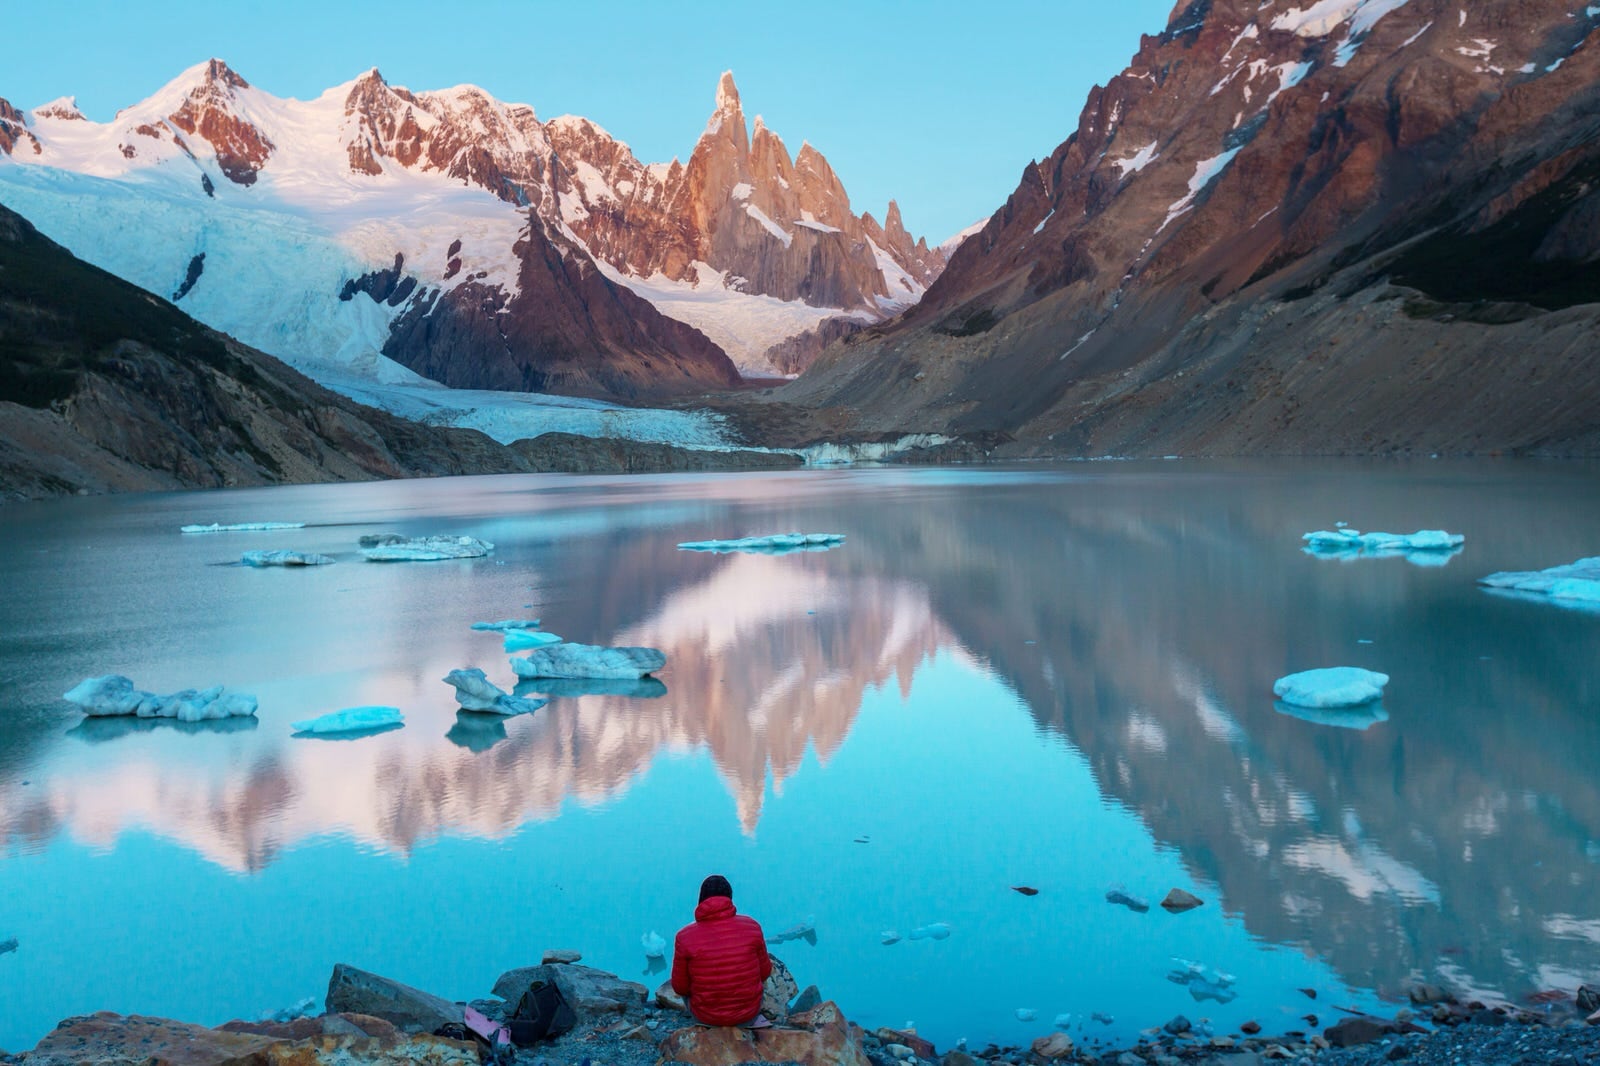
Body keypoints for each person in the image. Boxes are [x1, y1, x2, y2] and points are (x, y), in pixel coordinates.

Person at [670, 874, 772, 1026]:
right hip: (748, 1014)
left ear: (701, 900)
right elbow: (765, 973)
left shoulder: (684, 937)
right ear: (729, 898)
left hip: (707, 1017)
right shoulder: (752, 926)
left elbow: (680, 988)